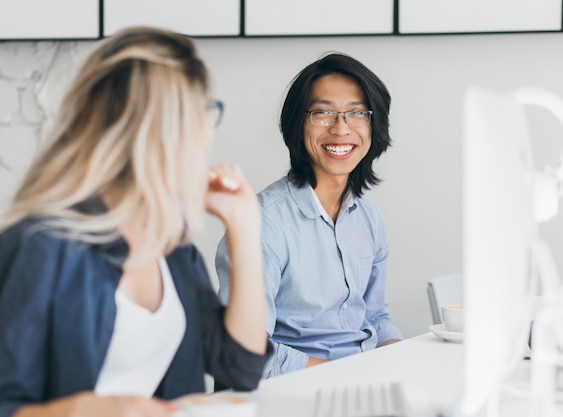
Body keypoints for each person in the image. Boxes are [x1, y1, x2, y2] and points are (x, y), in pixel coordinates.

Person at [0, 26, 271, 417]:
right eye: (205, 112)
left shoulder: (172, 246)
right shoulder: (40, 246)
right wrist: (83, 410)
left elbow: (239, 369)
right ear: (165, 132)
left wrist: (245, 226)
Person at [216, 52, 402, 378]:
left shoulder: (368, 218)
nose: (340, 127)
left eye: (357, 112)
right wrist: (343, 379)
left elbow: (374, 316)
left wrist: (401, 365)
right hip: (294, 394)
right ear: (297, 124)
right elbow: (245, 351)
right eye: (322, 112)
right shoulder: (262, 224)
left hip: (361, 385)